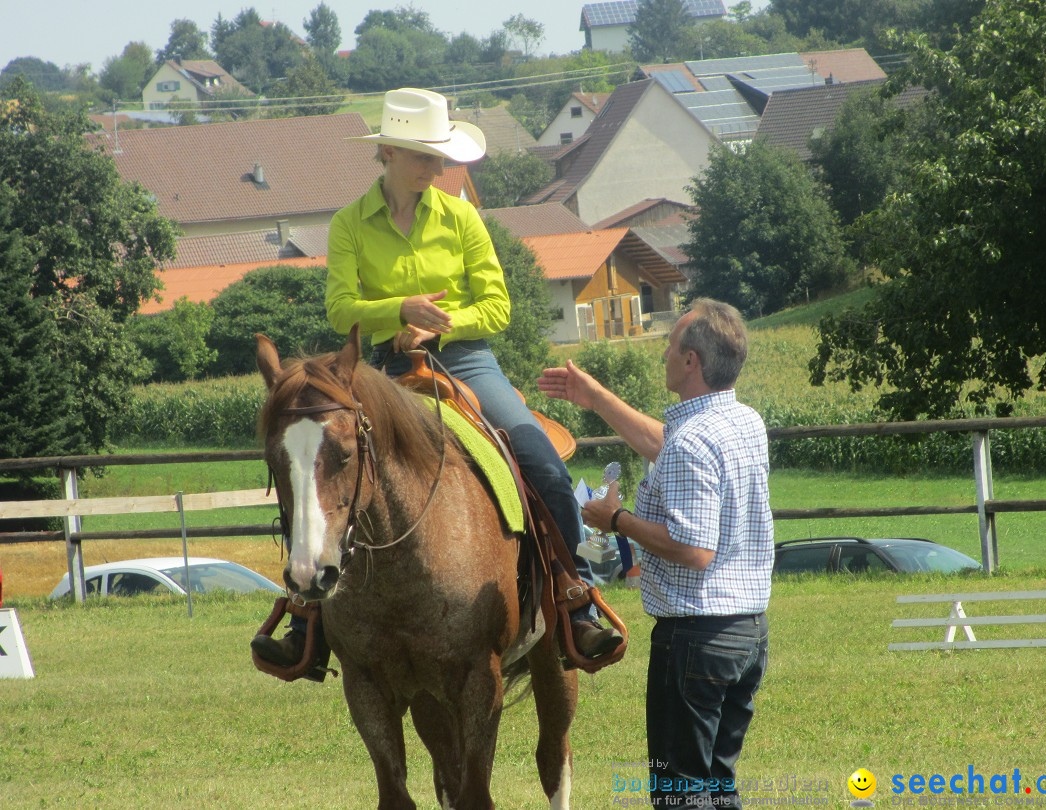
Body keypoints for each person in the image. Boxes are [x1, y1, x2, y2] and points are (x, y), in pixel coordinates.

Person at [251, 87, 621, 667]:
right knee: (327, 464)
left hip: (468, 360)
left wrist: (436, 329)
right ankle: (309, 615)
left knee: (539, 457)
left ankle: (576, 598)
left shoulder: (462, 216)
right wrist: (399, 312)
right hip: (383, 371)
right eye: (425, 155)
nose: (438, 167)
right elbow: (340, 308)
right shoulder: (349, 225)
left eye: (441, 156)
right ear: (389, 154)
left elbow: (497, 307)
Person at [537, 299, 773, 809]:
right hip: (746, 635)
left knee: (680, 797)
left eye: (670, 346)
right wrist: (596, 396)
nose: (663, 354)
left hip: (695, 640)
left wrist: (613, 521)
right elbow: (668, 442)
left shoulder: (692, 443)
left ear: (691, 361)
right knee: (717, 787)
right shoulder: (743, 422)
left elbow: (693, 550)